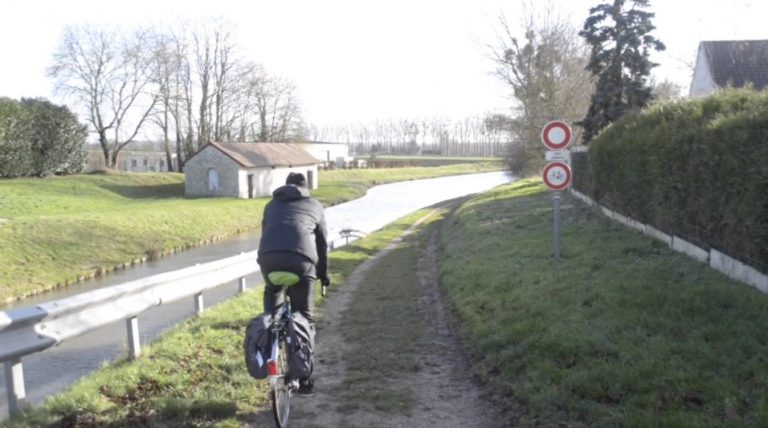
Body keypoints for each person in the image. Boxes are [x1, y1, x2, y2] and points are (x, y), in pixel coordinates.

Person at [257, 172, 329, 393]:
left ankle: (269, 351)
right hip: (302, 261)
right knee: (304, 318)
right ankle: (305, 378)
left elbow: (266, 234)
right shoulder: (314, 205)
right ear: (305, 187)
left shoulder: (270, 205)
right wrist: (323, 274)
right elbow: (322, 243)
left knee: (272, 312)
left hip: (269, 259)